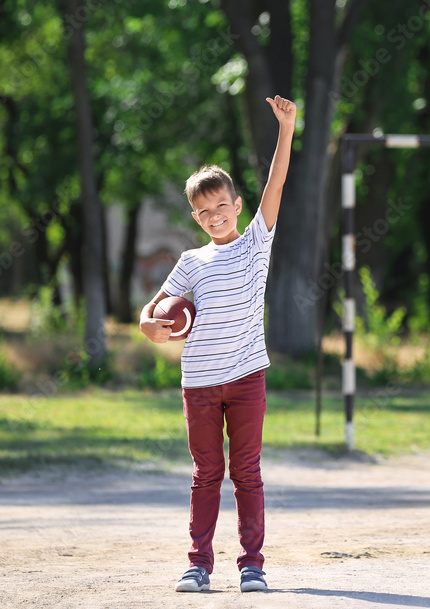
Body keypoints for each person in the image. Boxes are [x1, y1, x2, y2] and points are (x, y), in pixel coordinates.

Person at [140, 95, 297, 592]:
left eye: (222, 206)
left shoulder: (256, 242)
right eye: (204, 211)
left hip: (247, 377)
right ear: (195, 216)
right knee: (207, 474)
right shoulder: (190, 261)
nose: (214, 216)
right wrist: (150, 326)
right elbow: (151, 311)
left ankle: (253, 565)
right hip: (200, 383)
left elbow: (276, 182)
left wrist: (286, 129)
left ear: (237, 207)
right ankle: (198, 565)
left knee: (246, 473)